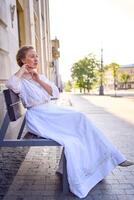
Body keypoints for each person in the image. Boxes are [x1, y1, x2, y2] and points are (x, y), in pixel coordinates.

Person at [6, 45, 134, 199]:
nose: (36, 59)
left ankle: (106, 162)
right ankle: (113, 158)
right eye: (32, 56)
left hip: (50, 112)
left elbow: (55, 93)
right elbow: (10, 85)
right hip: (40, 117)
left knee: (81, 128)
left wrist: (38, 79)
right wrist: (22, 71)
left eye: (37, 56)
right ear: (22, 60)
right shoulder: (19, 80)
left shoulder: (39, 76)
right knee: (80, 119)